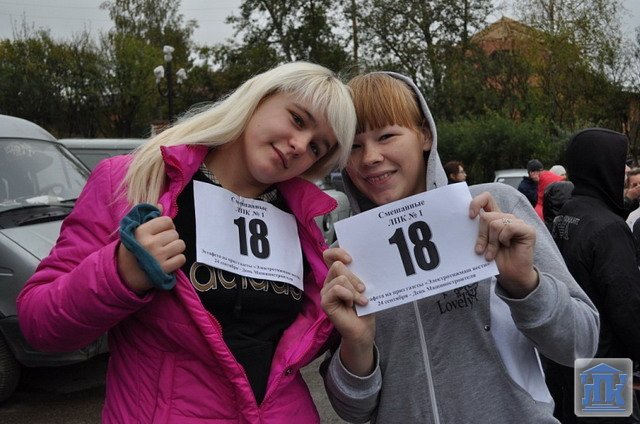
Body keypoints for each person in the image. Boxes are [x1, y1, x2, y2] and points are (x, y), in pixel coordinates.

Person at [16, 62, 357, 423]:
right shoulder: (133, 181)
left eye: (317, 147)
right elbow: (39, 323)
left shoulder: (303, 224)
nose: (300, 146)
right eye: (298, 120)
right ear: (257, 99)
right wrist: (120, 272)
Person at [319, 72, 599, 423]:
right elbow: (353, 411)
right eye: (353, 145)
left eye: (386, 135)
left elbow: (581, 344)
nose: (370, 157)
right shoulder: (345, 256)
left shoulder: (496, 208)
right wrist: (357, 344)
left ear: (424, 134)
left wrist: (525, 284)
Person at [549, 128, 640, 423]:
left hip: (569, 354)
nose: (625, 172)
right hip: (603, 365)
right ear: (602, 165)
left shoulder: (568, 213)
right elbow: (627, 307)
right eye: (620, 162)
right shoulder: (608, 228)